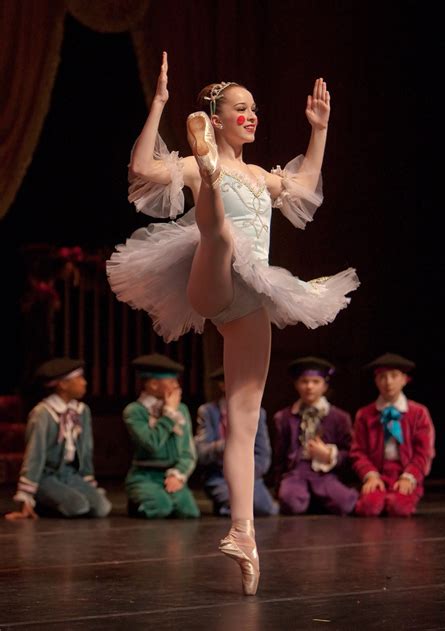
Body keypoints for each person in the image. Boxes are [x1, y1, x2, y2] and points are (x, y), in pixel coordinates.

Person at [107, 52, 359, 594]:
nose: (251, 116)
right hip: (209, 280)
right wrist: (157, 107)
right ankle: (212, 192)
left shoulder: (264, 177)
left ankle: (242, 534)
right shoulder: (204, 165)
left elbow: (307, 183)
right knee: (218, 236)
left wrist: (319, 130)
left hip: (252, 296)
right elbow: (143, 171)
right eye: (239, 110)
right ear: (214, 120)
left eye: (254, 110)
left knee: (245, 419)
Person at [5, 358, 111, 520]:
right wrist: (26, 495)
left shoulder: (81, 411)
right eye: (79, 379)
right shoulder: (43, 413)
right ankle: (41, 501)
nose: (84, 383)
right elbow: (35, 454)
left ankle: (63, 497)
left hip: (69, 474)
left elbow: (86, 450)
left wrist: (87, 481)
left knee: (102, 507)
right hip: (46, 476)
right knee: (78, 506)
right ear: (63, 385)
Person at [350, 353, 436, 517]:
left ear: (404, 379)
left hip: (404, 471)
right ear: (376, 381)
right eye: (382, 377)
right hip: (378, 472)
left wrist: (409, 476)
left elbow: (424, 451)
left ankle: (397, 496)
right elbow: (357, 451)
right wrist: (370, 475)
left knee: (399, 508)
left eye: (394, 376)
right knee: (368, 508)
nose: (388, 382)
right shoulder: (365, 414)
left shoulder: (418, 413)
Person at [273, 356, 358, 516]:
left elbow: (350, 453)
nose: (309, 387)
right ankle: (306, 497)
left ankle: (315, 498)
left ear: (325, 386)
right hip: (296, 472)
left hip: (324, 473)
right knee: (291, 503)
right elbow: (279, 455)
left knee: (347, 504)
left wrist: (329, 454)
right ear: (296, 384)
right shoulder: (284, 417)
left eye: (315, 382)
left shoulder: (339, 417)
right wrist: (278, 486)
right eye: (304, 381)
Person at [123, 353, 200, 519]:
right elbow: (151, 443)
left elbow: (188, 451)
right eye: (171, 382)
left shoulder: (182, 410)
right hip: (145, 475)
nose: (177, 386)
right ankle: (138, 501)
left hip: (170, 473)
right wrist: (168, 415)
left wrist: (178, 474)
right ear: (153, 384)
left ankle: (164, 495)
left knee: (189, 512)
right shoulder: (135, 411)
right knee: (161, 507)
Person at [195, 366, 279, 517]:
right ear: (222, 385)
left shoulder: (257, 413)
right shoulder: (208, 411)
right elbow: (201, 451)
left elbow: (263, 455)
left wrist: (247, 475)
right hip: (219, 475)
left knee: (265, 509)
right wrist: (226, 445)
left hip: (249, 475)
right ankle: (226, 506)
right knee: (237, 507)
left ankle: (229, 507)